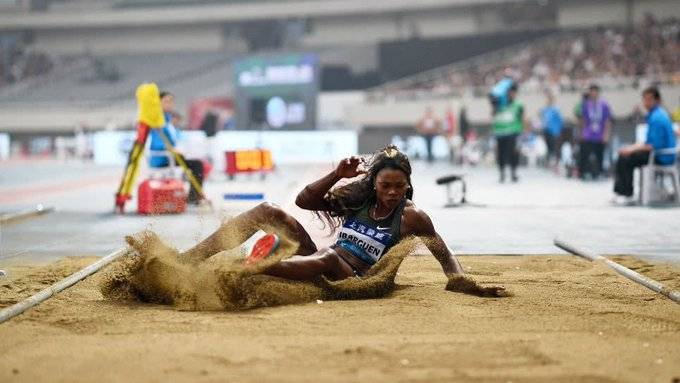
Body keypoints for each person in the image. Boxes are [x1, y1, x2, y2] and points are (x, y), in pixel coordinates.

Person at [222, 146, 504, 295]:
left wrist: (461, 280)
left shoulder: (412, 217)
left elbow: (445, 255)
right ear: (374, 183)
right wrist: (336, 175)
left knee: (331, 257)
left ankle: (257, 267)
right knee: (269, 210)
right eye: (385, 186)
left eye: (399, 186)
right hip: (320, 263)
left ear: (408, 184)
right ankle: (191, 259)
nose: (392, 192)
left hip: (357, 281)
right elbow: (304, 202)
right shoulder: (360, 197)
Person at [612, 87, 676, 204]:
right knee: (626, 153)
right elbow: (648, 142)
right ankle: (622, 193)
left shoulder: (657, 118)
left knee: (625, 158)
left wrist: (631, 150)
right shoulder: (655, 115)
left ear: (657, 100)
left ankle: (626, 195)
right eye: (644, 99)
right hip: (656, 153)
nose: (646, 103)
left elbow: (652, 146)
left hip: (661, 156)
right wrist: (631, 148)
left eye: (649, 99)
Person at [149, 91, 205, 204]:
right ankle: (193, 197)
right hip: (162, 158)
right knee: (197, 165)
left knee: (197, 163)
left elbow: (176, 137)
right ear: (158, 103)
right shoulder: (157, 120)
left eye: (171, 101)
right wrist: (171, 149)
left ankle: (193, 195)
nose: (169, 104)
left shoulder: (167, 119)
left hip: (172, 156)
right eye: (166, 101)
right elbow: (156, 143)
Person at [491, 83, 524, 183]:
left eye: (512, 92)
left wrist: (521, 132)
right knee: (501, 154)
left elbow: (522, 117)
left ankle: (513, 173)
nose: (510, 94)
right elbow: (493, 114)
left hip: (513, 132)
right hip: (500, 133)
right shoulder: (499, 103)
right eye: (508, 92)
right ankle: (502, 174)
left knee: (513, 153)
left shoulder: (518, 104)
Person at [578, 84, 611, 180]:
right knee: (585, 154)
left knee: (599, 154)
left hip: (599, 134)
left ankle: (599, 172)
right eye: (591, 91)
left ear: (598, 92)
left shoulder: (604, 105)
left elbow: (607, 121)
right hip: (588, 133)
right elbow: (583, 120)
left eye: (595, 91)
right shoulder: (585, 104)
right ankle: (584, 172)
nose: (593, 93)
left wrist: (606, 134)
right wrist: (581, 133)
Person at [539, 92, 562, 167]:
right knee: (548, 146)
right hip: (546, 130)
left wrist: (558, 131)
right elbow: (542, 120)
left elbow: (559, 121)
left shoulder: (556, 110)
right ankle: (548, 161)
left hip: (554, 131)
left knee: (554, 146)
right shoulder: (544, 109)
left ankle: (555, 162)